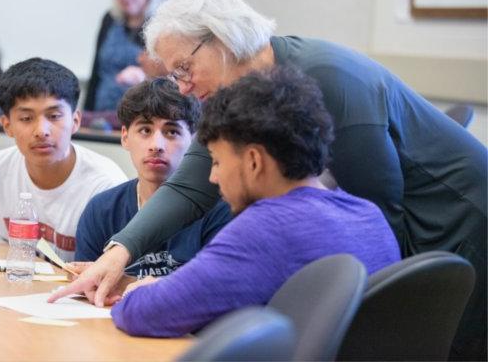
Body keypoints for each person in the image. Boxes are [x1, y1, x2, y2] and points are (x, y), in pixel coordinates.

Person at [51, 0, 487, 359]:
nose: (181, 86)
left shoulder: (329, 77)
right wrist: (120, 252)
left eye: (184, 68)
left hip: (461, 218)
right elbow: (190, 186)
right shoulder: (241, 98)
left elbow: (381, 209)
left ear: (220, 39)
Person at [51, 66, 401, 337]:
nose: (213, 178)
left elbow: (146, 314)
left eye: (216, 161)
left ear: (253, 161)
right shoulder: (369, 216)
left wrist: (140, 290)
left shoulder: (264, 227)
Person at [0, 58, 127, 261]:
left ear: (75, 121)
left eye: (54, 116)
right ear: (7, 126)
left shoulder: (106, 186)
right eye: (26, 118)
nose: (41, 131)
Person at [72, 78, 231, 284]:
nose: (156, 145)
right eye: (145, 130)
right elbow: (85, 285)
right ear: (125, 137)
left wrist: (122, 283)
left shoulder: (219, 210)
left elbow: (210, 291)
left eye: (171, 132)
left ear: (194, 141)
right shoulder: (101, 209)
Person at [83, 0, 167, 111]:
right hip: (101, 115)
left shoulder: (163, 24)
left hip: (142, 114)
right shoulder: (110, 19)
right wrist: (86, 114)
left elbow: (171, 78)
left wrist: (144, 77)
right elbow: (96, 71)